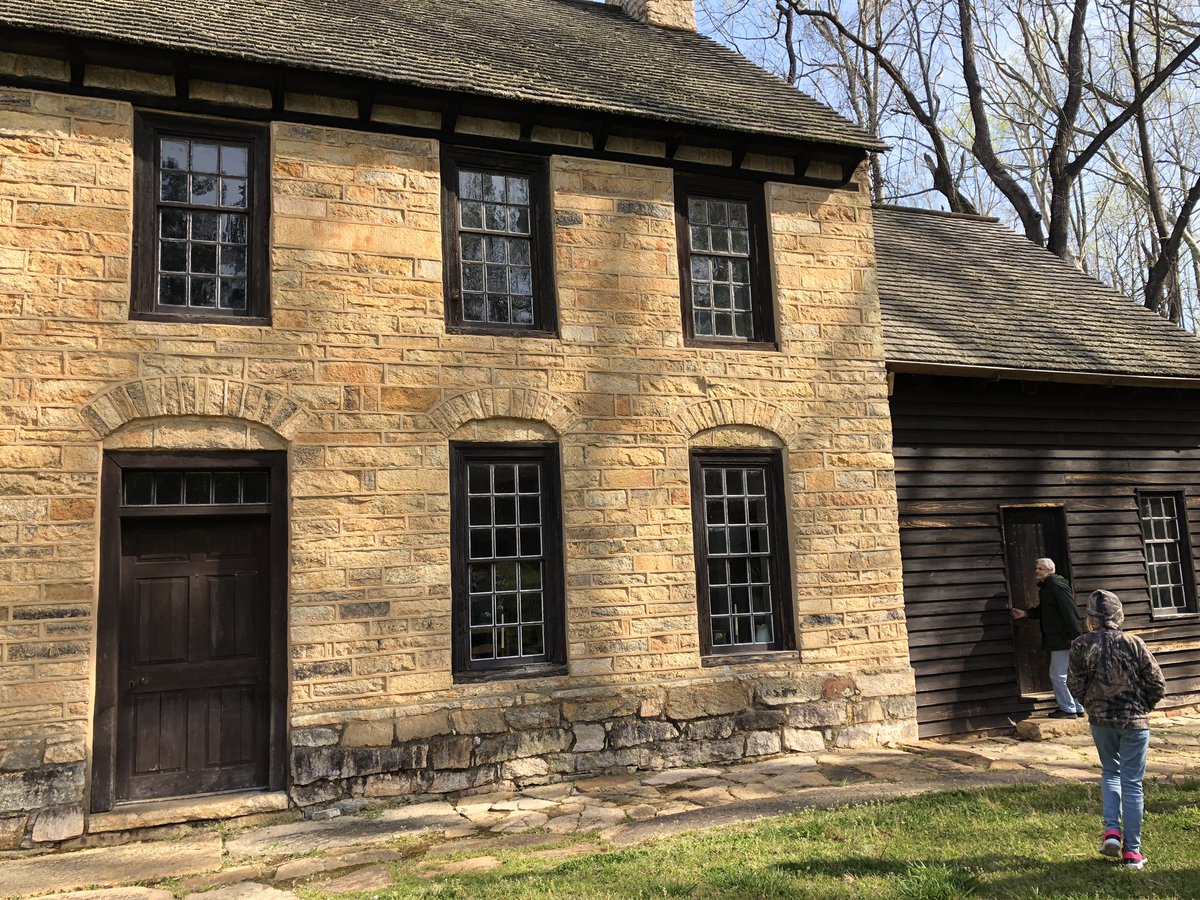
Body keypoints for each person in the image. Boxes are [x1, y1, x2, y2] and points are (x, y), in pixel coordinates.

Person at [1068, 590, 1166, 870]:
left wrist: (1092, 704)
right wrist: (1143, 706)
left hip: (1101, 722)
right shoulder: (1134, 643)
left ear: (1091, 618)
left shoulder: (1079, 645)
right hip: (1134, 721)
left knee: (1110, 772)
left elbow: (1074, 683)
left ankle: (1111, 831)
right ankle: (1132, 852)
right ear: (1118, 615)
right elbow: (1157, 683)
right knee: (1132, 782)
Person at [1010, 558, 1085, 718]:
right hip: (1059, 638)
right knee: (1065, 675)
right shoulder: (1047, 587)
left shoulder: (1056, 586)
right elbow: (1045, 610)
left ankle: (1068, 709)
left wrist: (1076, 636)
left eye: (1041, 569)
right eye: (1036, 568)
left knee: (1058, 675)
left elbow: (1070, 611)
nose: (1037, 571)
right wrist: (1026, 613)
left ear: (1051, 570)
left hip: (1062, 638)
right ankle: (1077, 707)